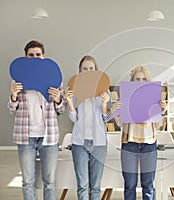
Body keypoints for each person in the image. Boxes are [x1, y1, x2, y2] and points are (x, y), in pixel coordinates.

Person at [7, 40, 67, 200]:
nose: (34, 58)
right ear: (25, 57)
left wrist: (59, 99)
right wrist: (13, 96)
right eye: (31, 55)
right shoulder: (17, 81)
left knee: (50, 182)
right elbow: (12, 109)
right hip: (25, 137)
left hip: (49, 137)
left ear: (43, 56)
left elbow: (62, 109)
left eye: (38, 55)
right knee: (28, 181)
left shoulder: (55, 79)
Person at [65, 55, 112, 200]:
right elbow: (73, 118)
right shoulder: (74, 89)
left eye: (91, 68)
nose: (88, 71)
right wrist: (69, 102)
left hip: (99, 144)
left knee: (96, 187)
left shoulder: (104, 90)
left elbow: (106, 118)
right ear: (80, 71)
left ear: (96, 70)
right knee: (82, 186)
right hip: (79, 143)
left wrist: (105, 103)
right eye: (85, 68)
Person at [118, 66, 167, 200]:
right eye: (137, 79)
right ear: (132, 81)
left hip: (149, 143)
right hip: (129, 144)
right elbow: (119, 123)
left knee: (148, 186)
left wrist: (161, 111)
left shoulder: (153, 97)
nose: (140, 81)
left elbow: (157, 125)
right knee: (130, 185)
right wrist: (118, 109)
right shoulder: (126, 96)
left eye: (144, 79)